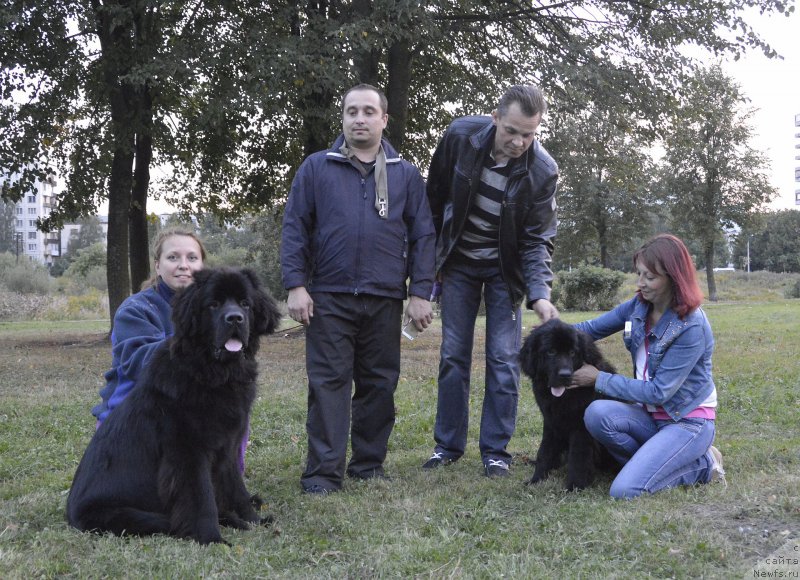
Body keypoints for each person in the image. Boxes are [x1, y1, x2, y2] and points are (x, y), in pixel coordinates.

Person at [281, 83, 436, 494]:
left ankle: (368, 465)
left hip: (385, 298)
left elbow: (423, 236)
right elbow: (295, 228)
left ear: (384, 119)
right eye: (352, 111)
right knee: (329, 384)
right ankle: (322, 474)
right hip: (328, 297)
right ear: (344, 118)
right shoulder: (316, 168)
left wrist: (421, 292)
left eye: (369, 111)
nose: (360, 119)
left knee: (379, 385)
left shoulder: (405, 174)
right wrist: (296, 285)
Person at [423, 84, 560, 477]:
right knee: (453, 356)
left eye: (528, 134)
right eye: (512, 131)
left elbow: (538, 239)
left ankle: (496, 451)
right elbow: (433, 200)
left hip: (506, 271)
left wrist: (540, 294)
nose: (519, 142)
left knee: (504, 360)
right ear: (495, 118)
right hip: (460, 263)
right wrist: (428, 266)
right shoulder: (460, 136)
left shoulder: (543, 171)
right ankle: (447, 446)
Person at [570, 233, 726, 499]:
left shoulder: (691, 326)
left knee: (624, 490)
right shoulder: (638, 306)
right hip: (649, 416)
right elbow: (590, 329)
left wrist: (598, 379)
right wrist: (550, 332)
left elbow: (658, 392)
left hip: (685, 422)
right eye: (639, 274)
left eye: (650, 277)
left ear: (674, 278)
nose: (640, 283)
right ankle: (652, 463)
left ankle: (703, 464)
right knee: (596, 413)